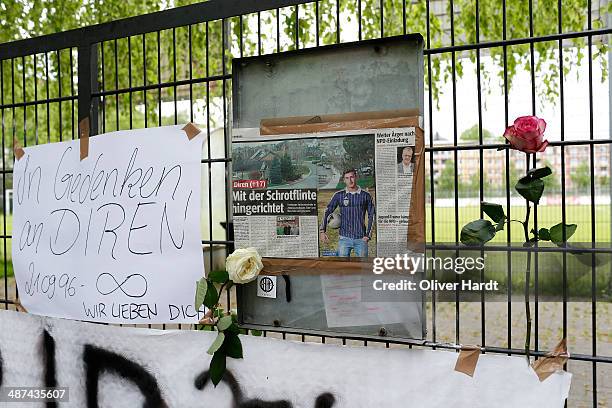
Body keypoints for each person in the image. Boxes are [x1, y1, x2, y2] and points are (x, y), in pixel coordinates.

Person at [319, 169, 375, 257]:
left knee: (363, 267)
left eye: (352, 177)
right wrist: (322, 231)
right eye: (347, 178)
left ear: (356, 177)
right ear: (344, 180)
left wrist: (368, 235)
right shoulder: (339, 195)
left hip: (361, 239)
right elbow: (327, 211)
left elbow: (372, 215)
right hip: (344, 238)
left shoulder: (365, 195)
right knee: (343, 267)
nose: (350, 180)